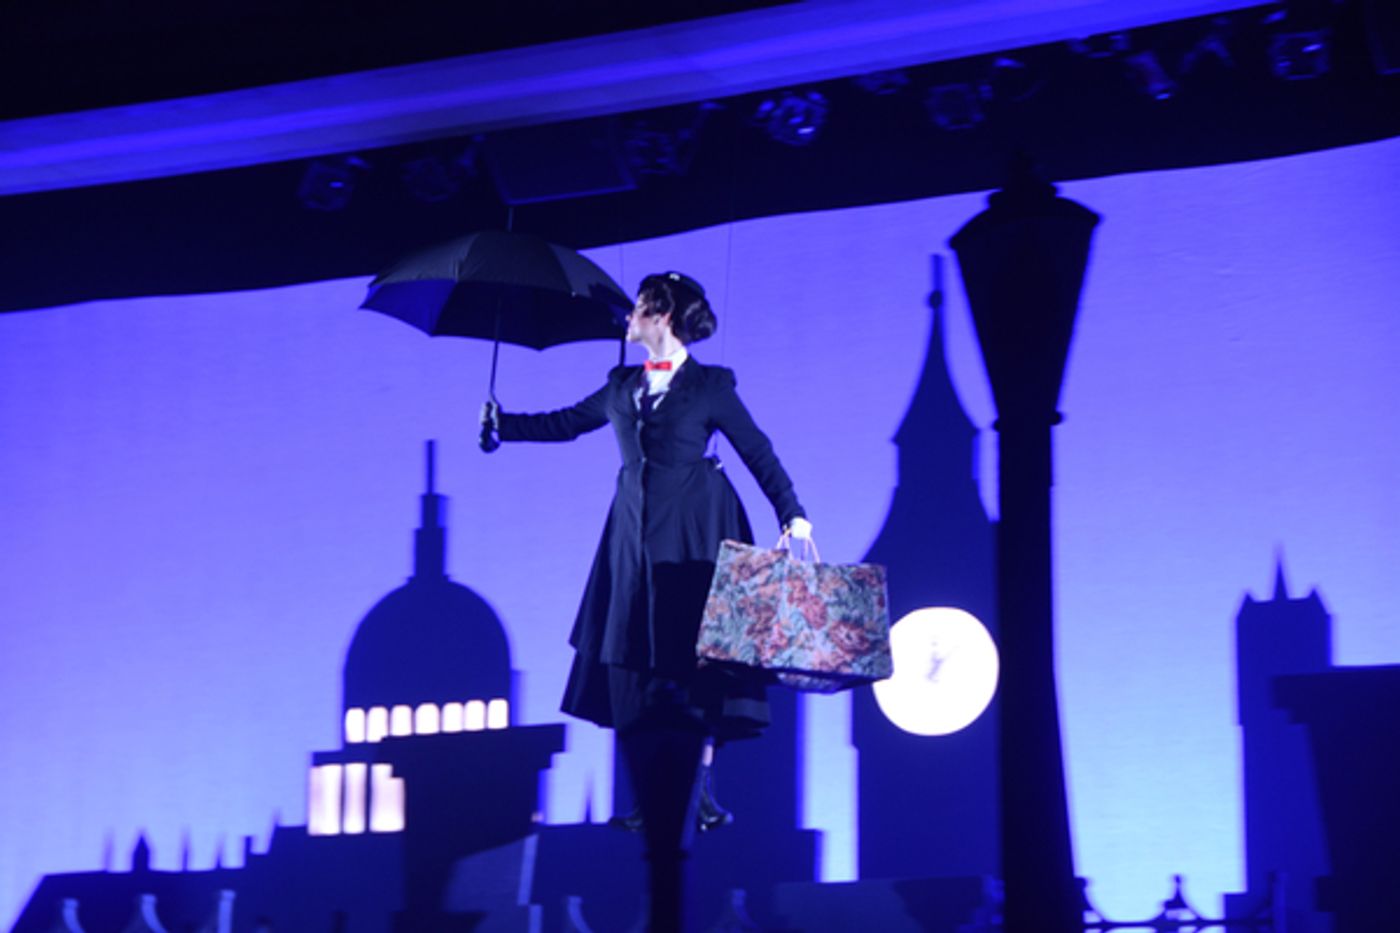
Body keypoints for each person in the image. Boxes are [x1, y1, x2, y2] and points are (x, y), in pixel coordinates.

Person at [480, 270, 811, 830]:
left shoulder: (709, 387)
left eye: (639, 306)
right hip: (631, 537)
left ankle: (700, 791)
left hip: (694, 531)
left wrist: (791, 510)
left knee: (695, 659)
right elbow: (565, 423)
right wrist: (502, 426)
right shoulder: (620, 387)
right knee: (633, 657)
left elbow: (757, 449)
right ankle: (644, 797)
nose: (628, 316)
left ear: (663, 316)